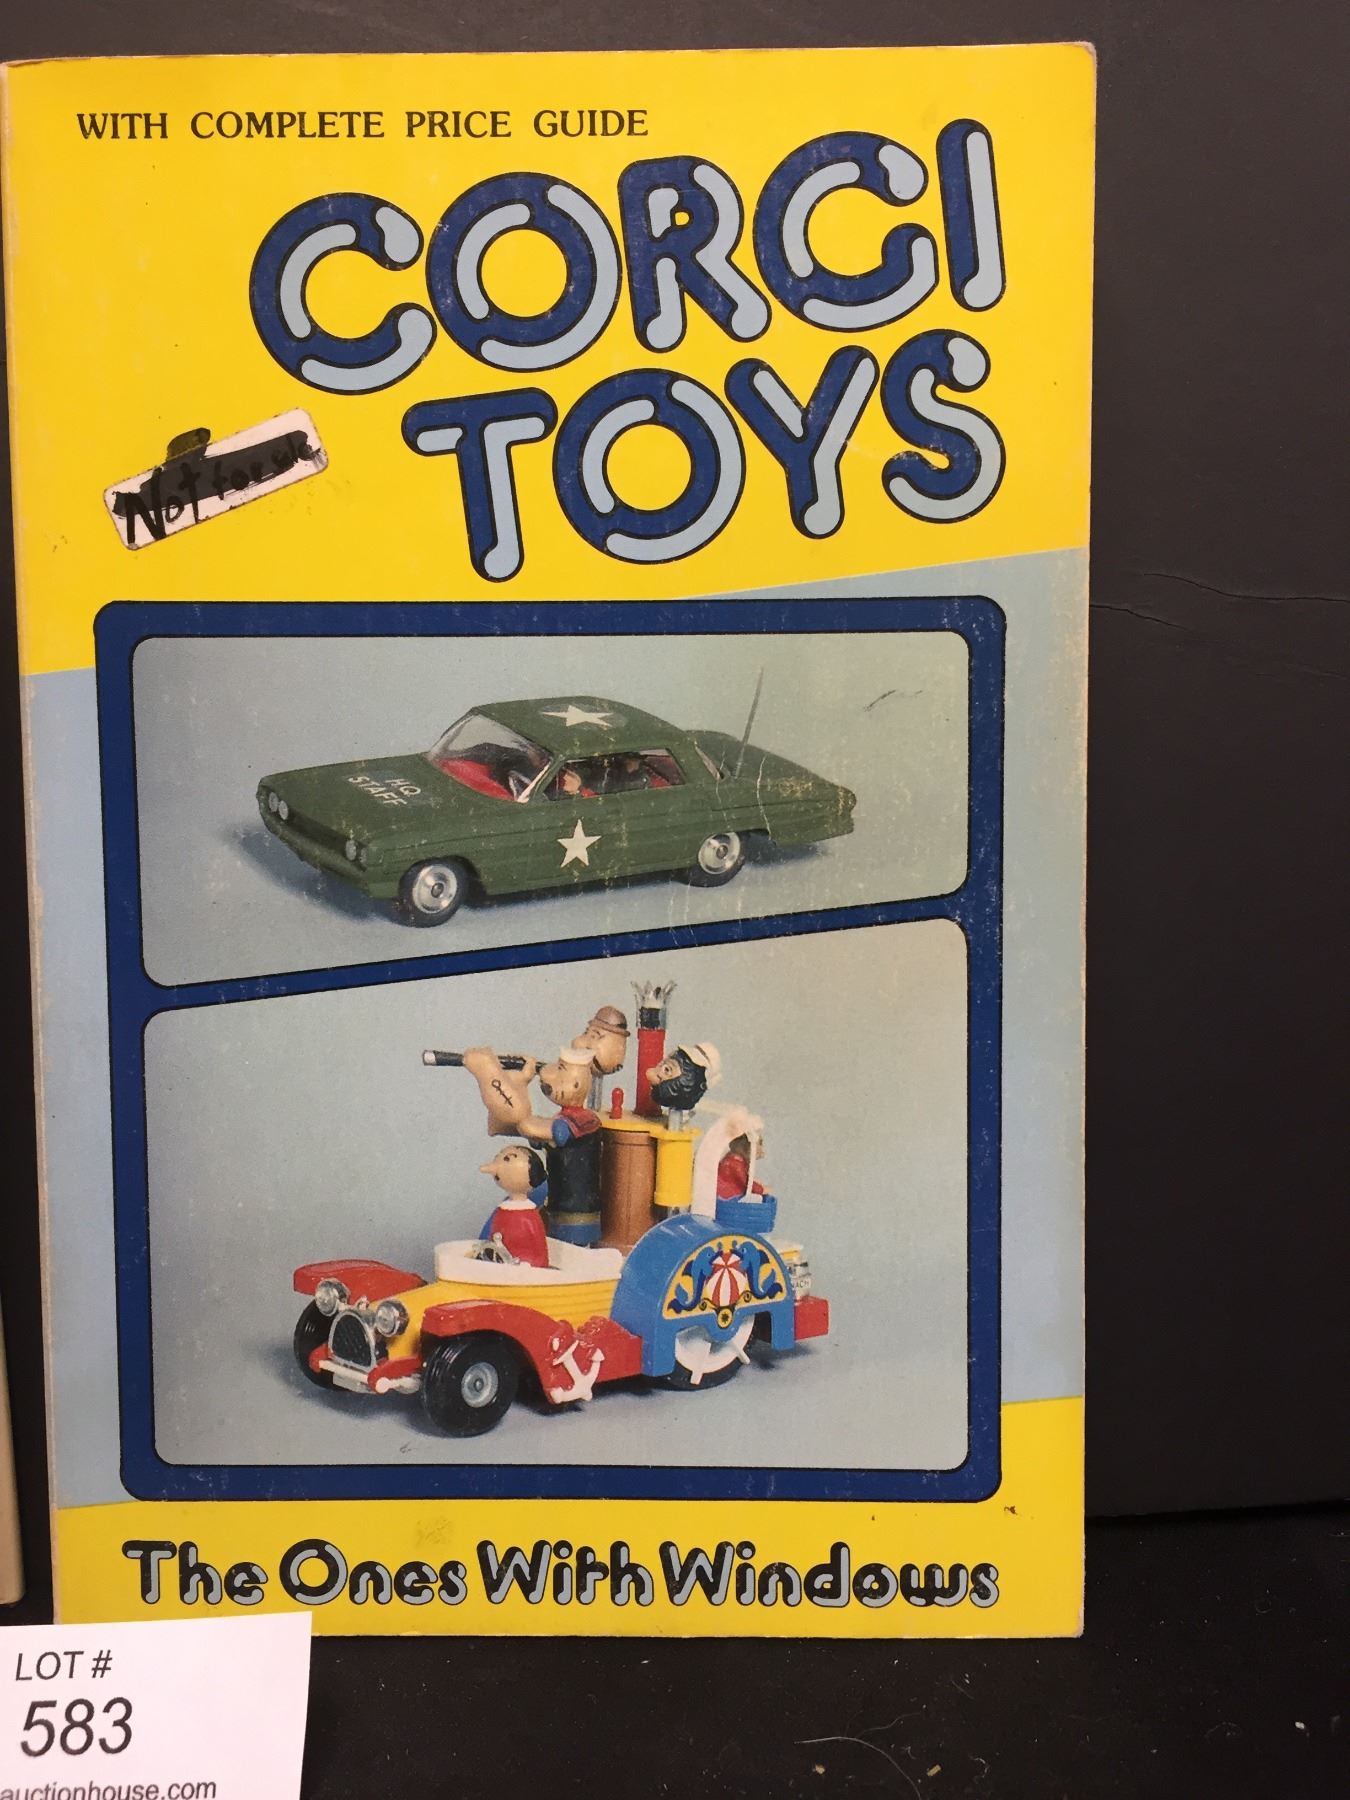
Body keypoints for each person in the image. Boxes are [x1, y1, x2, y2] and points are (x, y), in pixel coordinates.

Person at [478, 1144, 550, 1267]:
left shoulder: (529, 1216)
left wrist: (535, 1265)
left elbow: (540, 1249)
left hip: (525, 1268)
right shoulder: (502, 1211)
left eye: (507, 1159)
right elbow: (492, 1240)